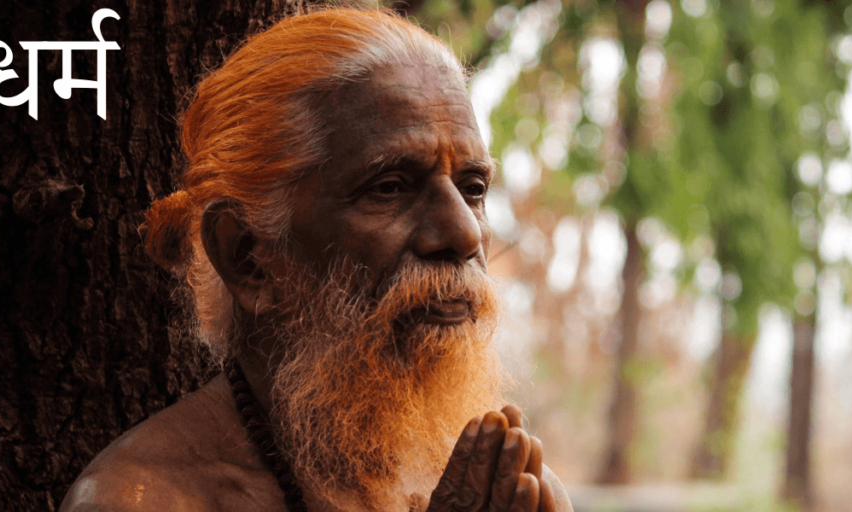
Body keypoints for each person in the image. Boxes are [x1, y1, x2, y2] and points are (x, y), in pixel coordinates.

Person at [59, 7, 572, 512]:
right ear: (248, 258)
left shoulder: (504, 490)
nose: (463, 233)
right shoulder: (139, 502)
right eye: (390, 187)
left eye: (473, 187)